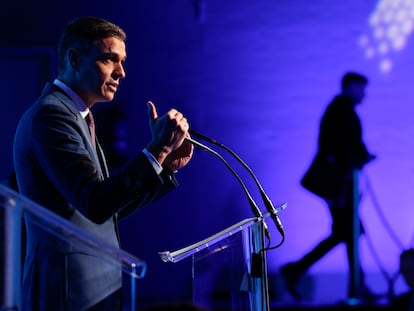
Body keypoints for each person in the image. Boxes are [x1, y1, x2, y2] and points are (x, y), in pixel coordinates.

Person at [13, 16, 193, 311]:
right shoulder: (52, 116)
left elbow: (108, 210)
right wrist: (157, 149)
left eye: (122, 61)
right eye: (110, 59)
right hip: (69, 291)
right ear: (75, 58)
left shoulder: (78, 115)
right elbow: (94, 202)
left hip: (90, 289)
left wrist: (165, 165)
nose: (121, 72)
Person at [280, 72, 376, 302]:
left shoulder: (340, 110)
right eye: (361, 88)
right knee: (349, 232)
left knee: (347, 232)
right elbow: (343, 145)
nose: (364, 94)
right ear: (351, 86)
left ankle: (298, 271)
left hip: (341, 186)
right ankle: (354, 286)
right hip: (340, 187)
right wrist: (361, 156)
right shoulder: (341, 111)